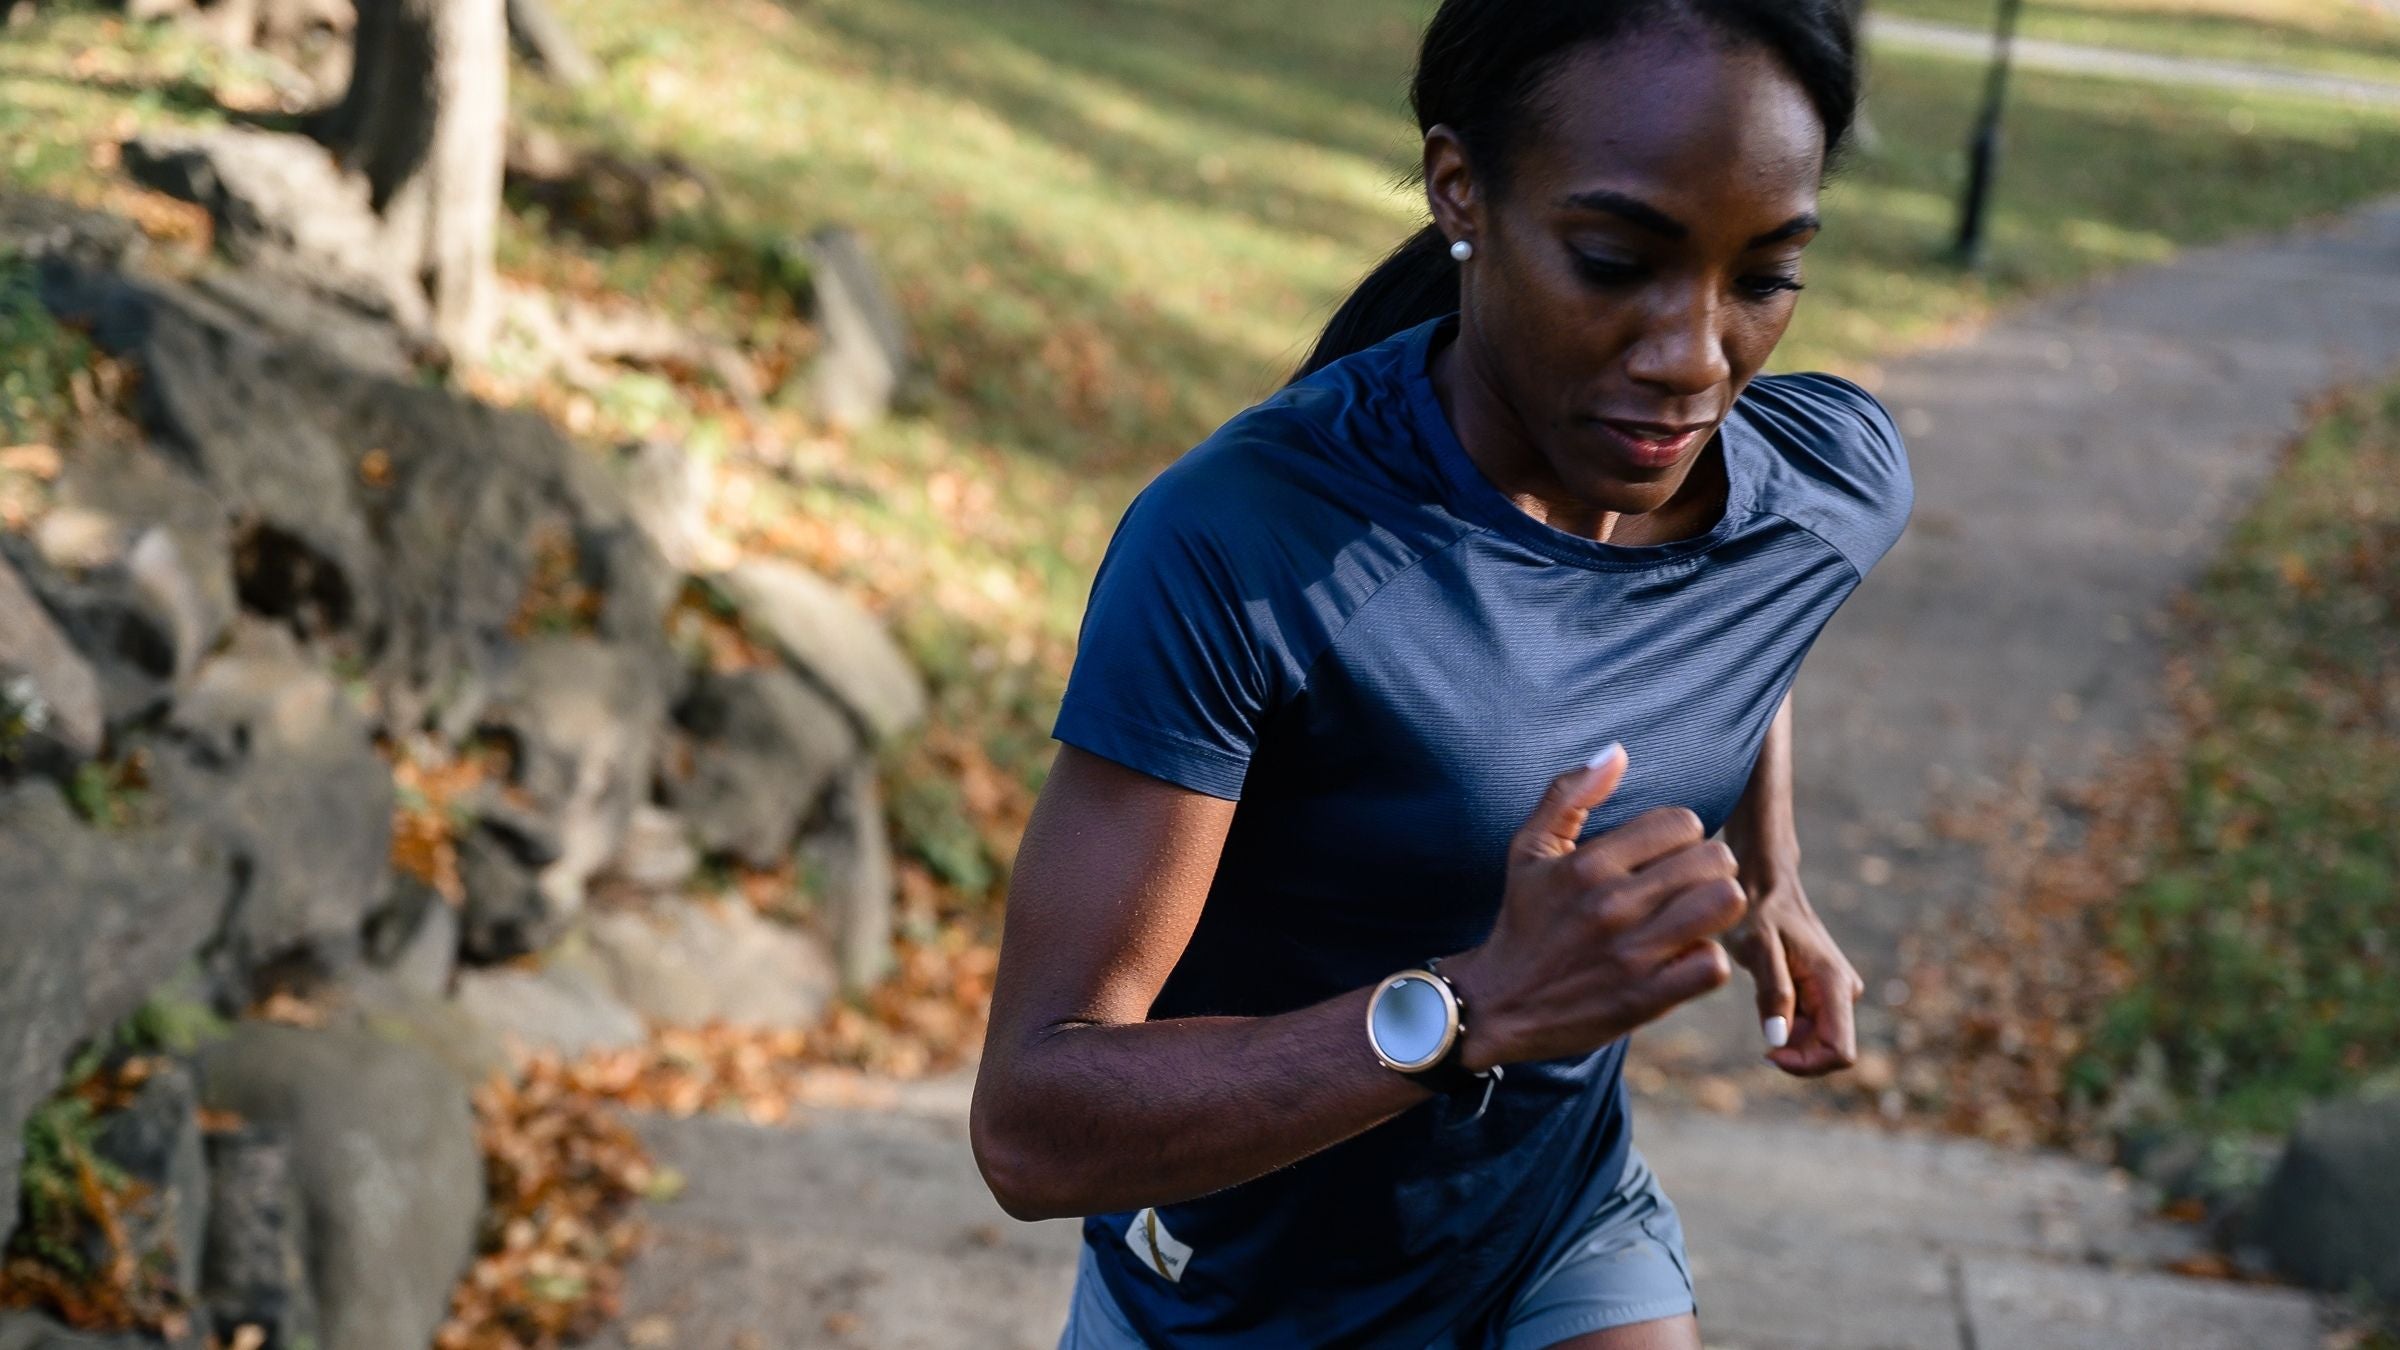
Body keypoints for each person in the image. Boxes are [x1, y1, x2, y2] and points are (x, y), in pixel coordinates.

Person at [971, 1, 1911, 1344]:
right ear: (1460, 188)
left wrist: (1774, 871)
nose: (1694, 357)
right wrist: (1475, 1007)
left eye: (1762, 277)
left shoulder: (1824, 486)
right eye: (1611, 260)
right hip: (1232, 1293)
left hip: (1555, 1231)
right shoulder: (1248, 549)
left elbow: (1750, 612)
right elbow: (1031, 1126)